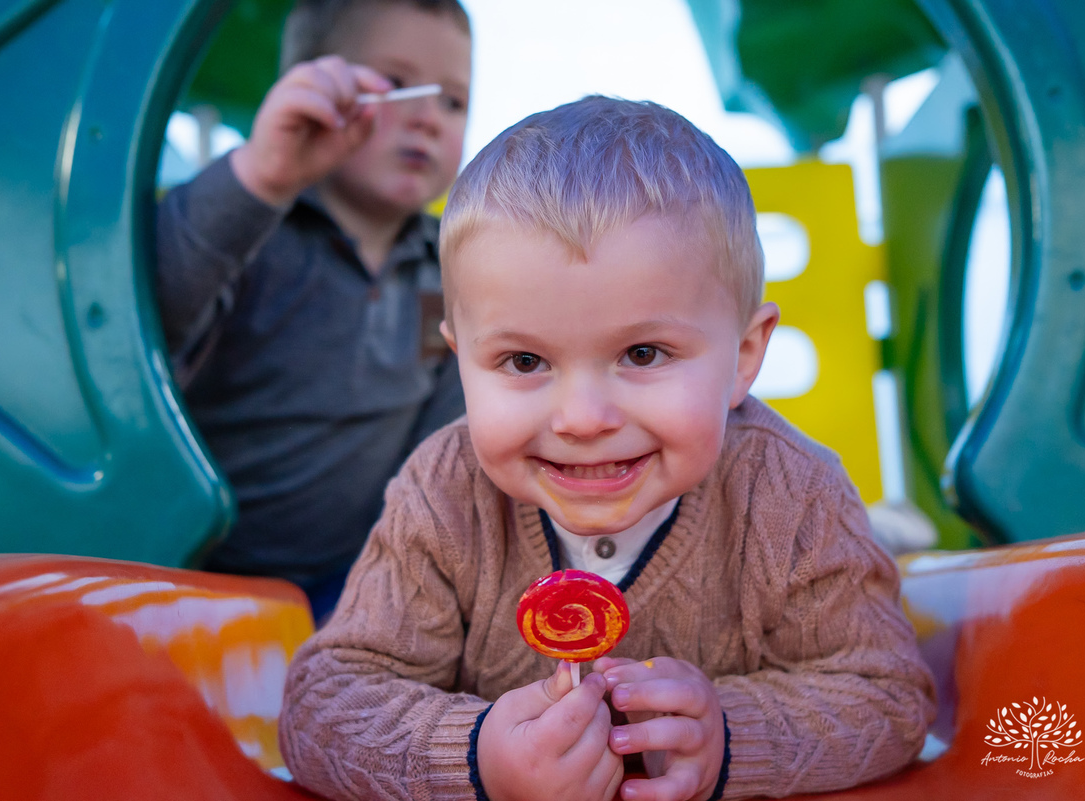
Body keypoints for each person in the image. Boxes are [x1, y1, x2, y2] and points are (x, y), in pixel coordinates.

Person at [279, 97, 936, 801]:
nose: (583, 418)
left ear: (744, 355)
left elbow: (888, 695)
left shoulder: (790, 495)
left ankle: (885, 531)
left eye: (643, 353)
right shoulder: (444, 494)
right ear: (459, 360)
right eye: (525, 362)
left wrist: (734, 737)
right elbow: (323, 703)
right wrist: (475, 757)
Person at [155, 0, 472, 621]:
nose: (428, 118)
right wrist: (263, 177)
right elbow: (143, 319)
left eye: (452, 101)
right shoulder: (251, 235)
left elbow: (441, 437)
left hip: (347, 584)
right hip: (189, 577)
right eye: (397, 85)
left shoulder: (445, 273)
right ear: (314, 91)